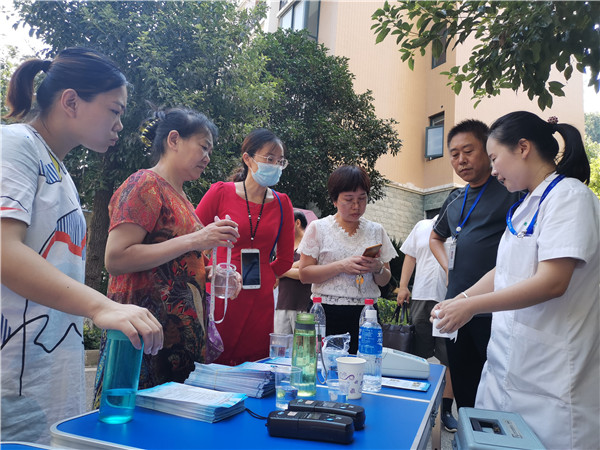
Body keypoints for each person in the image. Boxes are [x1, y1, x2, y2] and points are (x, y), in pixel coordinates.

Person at [0, 48, 163, 444]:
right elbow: (4, 250)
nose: (120, 125)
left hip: (48, 380)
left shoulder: (60, 171)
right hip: (10, 384)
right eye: (114, 110)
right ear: (71, 101)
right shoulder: (14, 145)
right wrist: (102, 306)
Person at [432, 111, 599, 449]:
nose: (494, 170)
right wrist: (460, 300)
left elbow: (552, 281)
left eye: (495, 158)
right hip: (509, 367)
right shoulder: (525, 208)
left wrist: (472, 307)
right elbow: (504, 272)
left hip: (551, 376)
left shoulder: (570, 197)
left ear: (523, 148)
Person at [93, 108, 241, 405]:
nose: (207, 157)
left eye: (210, 151)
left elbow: (178, 263)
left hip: (177, 344)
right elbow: (116, 258)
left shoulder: (182, 197)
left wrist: (212, 273)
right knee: (134, 423)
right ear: (174, 140)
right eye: (203, 146)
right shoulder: (144, 184)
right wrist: (197, 239)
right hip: (144, 340)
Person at [429, 119, 521, 409]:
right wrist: (449, 269)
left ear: (488, 150)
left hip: (495, 311)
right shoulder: (455, 198)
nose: (461, 160)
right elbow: (435, 237)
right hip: (456, 309)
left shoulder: (512, 191)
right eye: (454, 154)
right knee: (465, 388)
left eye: (468, 151)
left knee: (499, 394)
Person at [196, 128, 294, 366]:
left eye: (280, 161)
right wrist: (211, 270)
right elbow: (191, 239)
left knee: (255, 366)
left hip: (260, 299)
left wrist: (266, 274)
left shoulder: (283, 203)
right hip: (222, 290)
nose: (275, 165)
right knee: (215, 359)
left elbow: (285, 260)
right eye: (269, 158)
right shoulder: (220, 192)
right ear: (248, 158)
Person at [298, 165, 397, 354]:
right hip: (325, 311)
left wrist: (377, 268)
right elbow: (305, 274)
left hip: (366, 314)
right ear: (334, 200)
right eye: (349, 200)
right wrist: (341, 266)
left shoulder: (376, 230)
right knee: (323, 364)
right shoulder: (318, 228)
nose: (356, 206)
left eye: (362, 199)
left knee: (365, 363)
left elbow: (385, 280)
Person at [396, 215, 457, 432]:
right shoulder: (422, 226)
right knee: (417, 354)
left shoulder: (461, 225)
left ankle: (446, 411)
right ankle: (414, 404)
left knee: (448, 358)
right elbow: (410, 256)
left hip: (449, 298)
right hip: (421, 297)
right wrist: (403, 286)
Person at [274, 210, 312, 334]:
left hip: (303, 307)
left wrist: (282, 271)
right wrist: (292, 268)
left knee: (303, 344)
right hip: (282, 306)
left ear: (297, 223)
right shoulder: (284, 248)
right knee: (280, 344)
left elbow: (304, 274)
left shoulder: (310, 245)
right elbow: (273, 274)